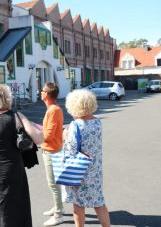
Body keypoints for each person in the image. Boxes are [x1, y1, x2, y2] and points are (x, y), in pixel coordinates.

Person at [0, 84, 43, 227]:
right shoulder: (16, 116)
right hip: (11, 169)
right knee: (12, 206)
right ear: (8, 99)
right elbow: (39, 139)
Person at [62, 89, 110, 227]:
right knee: (99, 203)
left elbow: (70, 149)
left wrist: (65, 136)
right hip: (95, 170)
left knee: (78, 205)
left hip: (79, 171)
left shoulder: (76, 125)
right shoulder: (97, 122)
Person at [40, 82, 65, 226]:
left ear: (47, 94)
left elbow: (48, 135)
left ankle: (58, 214)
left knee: (53, 184)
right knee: (54, 183)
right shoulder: (52, 109)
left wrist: (35, 135)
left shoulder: (53, 110)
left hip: (52, 150)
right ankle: (57, 207)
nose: (40, 92)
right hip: (51, 149)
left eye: (42, 90)